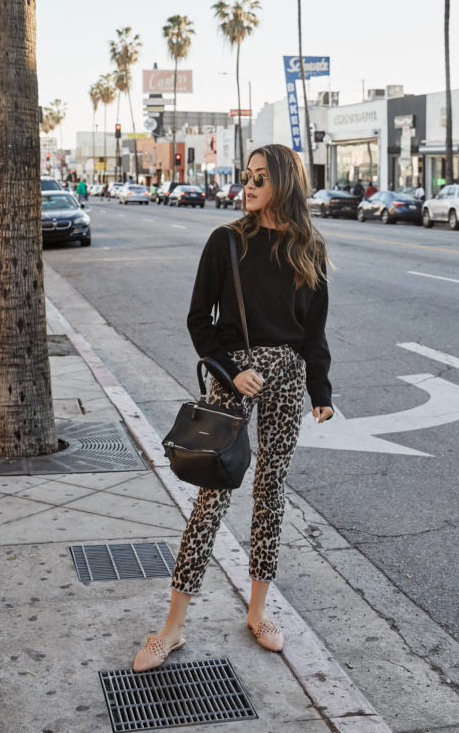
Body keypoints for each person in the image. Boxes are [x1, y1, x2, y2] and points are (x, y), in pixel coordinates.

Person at [132, 143, 334, 672]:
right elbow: (200, 320)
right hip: (233, 381)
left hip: (288, 380)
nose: (248, 186)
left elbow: (313, 334)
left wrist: (322, 392)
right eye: (246, 176)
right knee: (212, 497)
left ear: (284, 184)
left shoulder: (308, 249)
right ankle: (172, 626)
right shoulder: (226, 242)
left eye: (260, 178)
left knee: (271, 491)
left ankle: (259, 610)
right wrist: (231, 371)